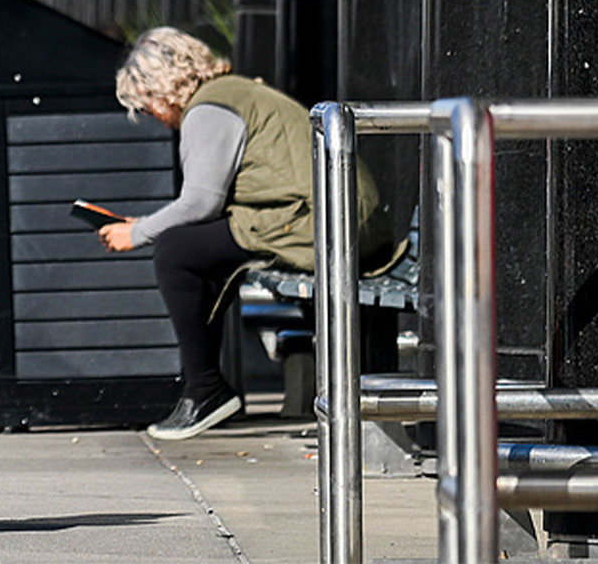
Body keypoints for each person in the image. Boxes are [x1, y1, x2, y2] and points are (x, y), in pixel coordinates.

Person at [97, 27, 388, 441]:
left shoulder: (207, 110)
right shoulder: (231, 92)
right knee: (194, 249)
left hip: (317, 222)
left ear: (160, 88)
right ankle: (204, 389)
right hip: (334, 216)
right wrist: (139, 225)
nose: (154, 119)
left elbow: (200, 203)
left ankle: (206, 390)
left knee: (175, 252)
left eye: (146, 107)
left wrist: (138, 233)